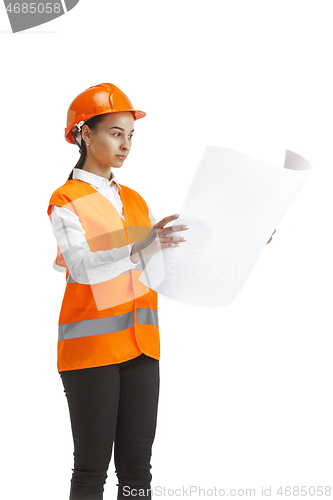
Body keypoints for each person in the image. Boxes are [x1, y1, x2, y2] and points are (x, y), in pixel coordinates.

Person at [46, 83, 189, 500]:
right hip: (91, 353)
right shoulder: (65, 199)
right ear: (84, 134)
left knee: (137, 475)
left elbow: (159, 265)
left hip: (143, 349)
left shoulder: (136, 201)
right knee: (91, 470)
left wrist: (242, 240)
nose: (126, 145)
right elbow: (84, 267)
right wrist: (141, 246)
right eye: (115, 133)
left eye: (131, 135)